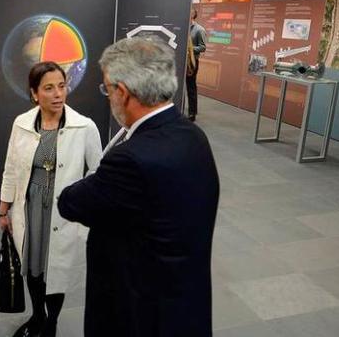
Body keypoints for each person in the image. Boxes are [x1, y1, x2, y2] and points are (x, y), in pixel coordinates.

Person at [58, 37, 220, 337]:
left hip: (139, 314)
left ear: (123, 92)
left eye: (108, 88)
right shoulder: (193, 135)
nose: (108, 95)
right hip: (184, 302)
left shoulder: (130, 159)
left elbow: (70, 202)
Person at [0, 61, 102, 337]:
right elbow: (11, 166)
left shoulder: (84, 127)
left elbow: (97, 172)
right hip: (30, 205)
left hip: (64, 209)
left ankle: (51, 322)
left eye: (61, 86)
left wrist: (83, 201)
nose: (58, 94)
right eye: (48, 88)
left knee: (56, 269)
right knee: (33, 267)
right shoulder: (22, 124)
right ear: (34, 93)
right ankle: (37, 316)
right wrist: (4, 207)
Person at [187, 8, 207, 122]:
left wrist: (189, 48)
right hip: (182, 61)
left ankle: (192, 113)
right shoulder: (184, 28)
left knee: (191, 87)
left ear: (193, 15)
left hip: (192, 62)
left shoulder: (199, 30)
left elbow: (203, 47)